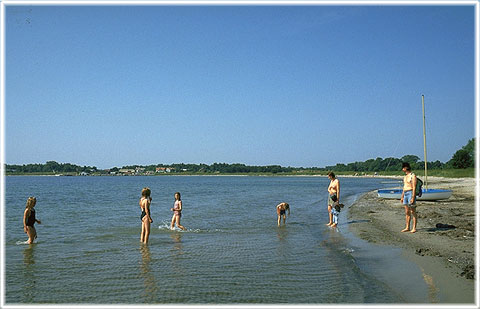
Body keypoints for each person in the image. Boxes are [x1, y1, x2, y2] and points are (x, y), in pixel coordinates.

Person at [401, 162, 418, 233]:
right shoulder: (405, 177)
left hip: (411, 193)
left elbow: (414, 187)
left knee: (412, 211)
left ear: (406, 168)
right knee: (407, 211)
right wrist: (402, 196)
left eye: (403, 168)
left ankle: (414, 227)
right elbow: (404, 187)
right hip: (405, 193)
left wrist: (413, 197)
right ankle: (407, 227)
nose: (402, 169)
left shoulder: (413, 176)